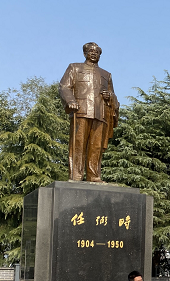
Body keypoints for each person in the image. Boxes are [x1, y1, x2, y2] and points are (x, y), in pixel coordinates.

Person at [59, 42, 119, 182]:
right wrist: (70, 101)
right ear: (85, 53)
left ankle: (94, 176)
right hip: (81, 110)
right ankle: (76, 175)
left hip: (100, 113)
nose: (94, 53)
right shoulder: (74, 67)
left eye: (96, 52)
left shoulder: (106, 75)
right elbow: (64, 87)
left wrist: (110, 97)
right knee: (78, 144)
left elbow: (113, 94)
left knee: (96, 146)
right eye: (91, 51)